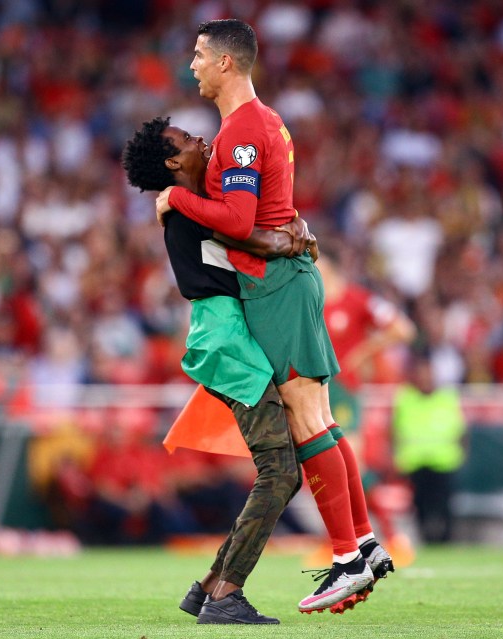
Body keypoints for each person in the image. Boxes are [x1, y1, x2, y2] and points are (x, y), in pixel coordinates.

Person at [155, 19, 386, 613]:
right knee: (320, 417)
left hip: (274, 286)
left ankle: (346, 557)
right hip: (286, 279)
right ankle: (361, 545)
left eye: (201, 55)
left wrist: (175, 197)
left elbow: (236, 220)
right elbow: (266, 214)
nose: (193, 65)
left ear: (228, 63)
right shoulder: (265, 122)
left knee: (307, 420)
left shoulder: (241, 132)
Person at [123, 116, 310, 624]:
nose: (200, 139)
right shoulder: (195, 213)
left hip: (224, 336)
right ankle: (226, 596)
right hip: (225, 339)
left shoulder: (189, 207)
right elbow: (261, 241)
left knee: (284, 473)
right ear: (172, 163)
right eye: (185, 140)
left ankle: (208, 585)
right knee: (279, 471)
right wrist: (300, 240)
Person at [318, 243, 417, 563]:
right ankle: (353, 541)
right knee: (326, 467)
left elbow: (403, 329)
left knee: (349, 465)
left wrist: (363, 352)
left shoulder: (357, 300)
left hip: (343, 390)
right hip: (314, 391)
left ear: (329, 267)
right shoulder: (308, 303)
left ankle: (386, 536)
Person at [392, 353, 467, 543]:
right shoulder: (405, 399)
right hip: (415, 463)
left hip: (444, 462)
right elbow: (393, 432)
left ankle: (447, 542)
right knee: (420, 507)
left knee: (445, 508)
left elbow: (462, 431)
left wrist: (461, 457)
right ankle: (426, 542)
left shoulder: (447, 398)